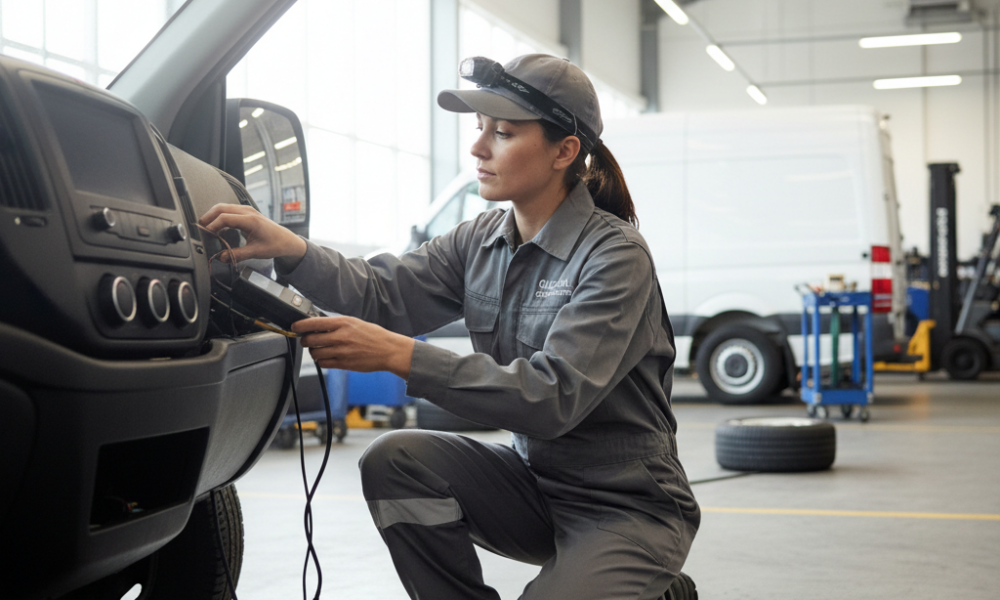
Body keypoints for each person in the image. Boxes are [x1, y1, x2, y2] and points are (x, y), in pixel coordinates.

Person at [200, 53, 699, 600]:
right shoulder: (479, 240)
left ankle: (653, 586)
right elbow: (379, 292)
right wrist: (291, 248)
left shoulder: (614, 255)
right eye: (479, 128)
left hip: (625, 504)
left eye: (503, 133)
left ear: (565, 151)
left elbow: (553, 397)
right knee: (396, 461)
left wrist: (400, 356)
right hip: (535, 488)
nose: (478, 148)